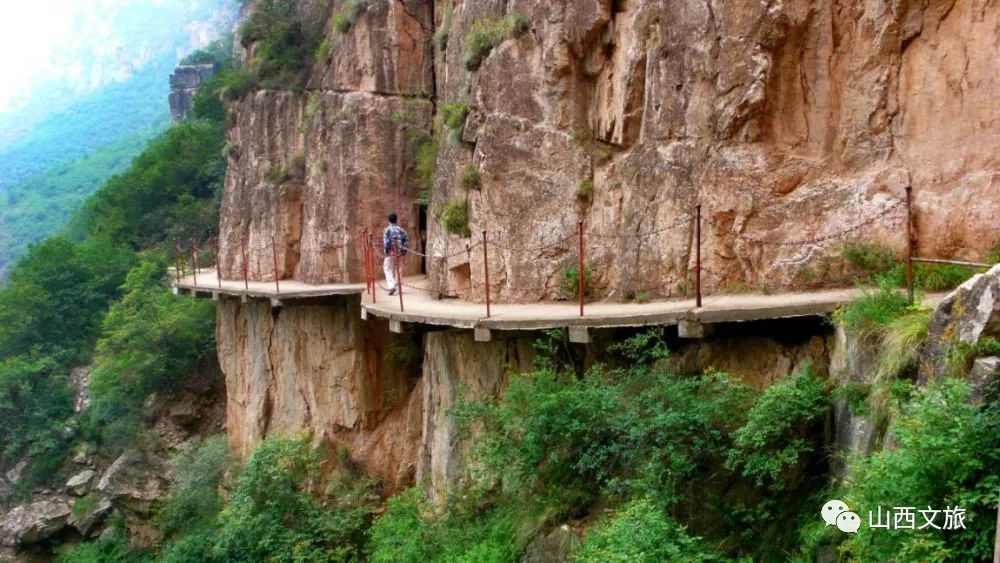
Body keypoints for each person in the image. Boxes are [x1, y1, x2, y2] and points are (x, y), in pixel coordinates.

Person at [383, 212, 408, 295]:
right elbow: (406, 241)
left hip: (390, 253)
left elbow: (386, 243)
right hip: (400, 252)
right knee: (399, 269)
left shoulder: (387, 230)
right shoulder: (402, 230)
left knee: (387, 268)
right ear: (396, 220)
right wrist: (404, 251)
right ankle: (399, 287)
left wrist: (387, 251)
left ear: (389, 221)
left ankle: (391, 286)